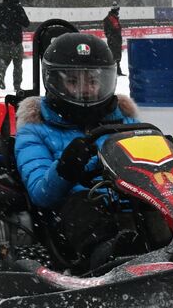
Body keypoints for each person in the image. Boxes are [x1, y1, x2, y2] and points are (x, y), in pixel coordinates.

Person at [14, 32, 142, 268]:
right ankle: (109, 256)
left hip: (130, 201)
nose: (85, 90)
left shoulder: (123, 120)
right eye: (73, 81)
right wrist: (66, 168)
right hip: (72, 217)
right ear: (55, 82)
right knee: (80, 204)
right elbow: (41, 194)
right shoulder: (35, 128)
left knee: (166, 200)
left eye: (92, 81)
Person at [0, 0, 31, 91]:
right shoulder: (18, 8)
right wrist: (17, 17)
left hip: (3, 40)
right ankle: (17, 86)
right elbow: (26, 23)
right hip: (16, 40)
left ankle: (1, 72)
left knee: (4, 59)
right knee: (17, 65)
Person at [102, 5, 123, 75]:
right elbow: (107, 31)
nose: (118, 12)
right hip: (113, 40)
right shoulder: (108, 19)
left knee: (117, 56)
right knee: (114, 56)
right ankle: (113, 71)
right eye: (117, 10)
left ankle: (118, 70)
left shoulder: (115, 18)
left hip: (117, 40)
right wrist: (111, 38)